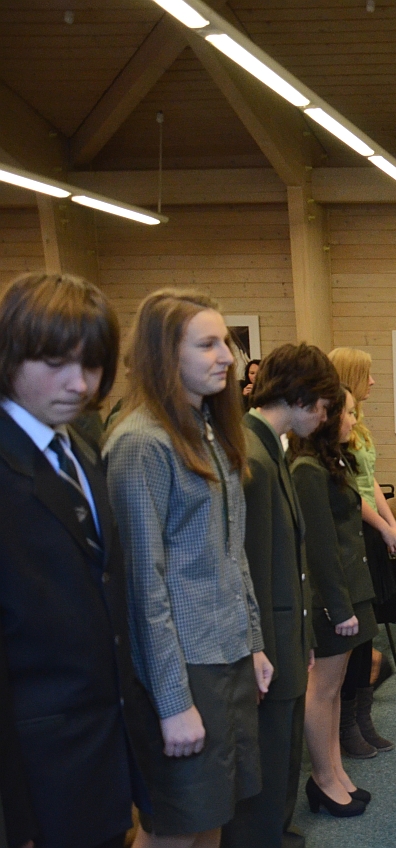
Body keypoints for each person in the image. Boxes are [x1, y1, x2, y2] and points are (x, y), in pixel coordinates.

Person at [104, 290, 274, 848]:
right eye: (208, 345)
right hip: (182, 663)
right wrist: (173, 702)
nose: (226, 356)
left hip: (226, 652)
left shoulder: (209, 430)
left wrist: (253, 642)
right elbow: (141, 588)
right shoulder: (140, 443)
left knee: (213, 815)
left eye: (225, 342)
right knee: (175, 828)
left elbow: (231, 554)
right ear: (163, 354)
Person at [0, 273, 152, 848]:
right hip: (36, 769)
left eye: (91, 364)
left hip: (99, 750)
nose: (79, 383)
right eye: (55, 362)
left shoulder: (77, 448)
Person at [223, 343, 341, 848]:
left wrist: (303, 635)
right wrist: (261, 647)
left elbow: (289, 561)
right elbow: (247, 570)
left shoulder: (272, 449)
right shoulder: (252, 457)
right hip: (266, 644)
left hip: (286, 636)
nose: (326, 416)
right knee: (266, 765)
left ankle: (276, 834)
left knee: (284, 758)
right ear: (301, 397)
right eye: (324, 405)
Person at [291, 387, 379, 817]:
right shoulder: (307, 469)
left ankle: (336, 770)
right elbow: (320, 547)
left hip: (350, 585)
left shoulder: (334, 461)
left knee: (336, 687)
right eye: (347, 413)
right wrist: (338, 606)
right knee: (321, 689)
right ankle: (323, 778)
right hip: (332, 595)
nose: (353, 420)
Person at [327, 347, 396, 759]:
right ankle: (347, 725)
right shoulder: (335, 431)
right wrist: (382, 526)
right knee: (356, 635)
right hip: (354, 529)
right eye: (367, 375)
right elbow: (351, 492)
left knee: (368, 628)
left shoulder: (359, 425)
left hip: (371, 527)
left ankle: (363, 720)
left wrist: (391, 523)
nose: (373, 381)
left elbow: (370, 481)